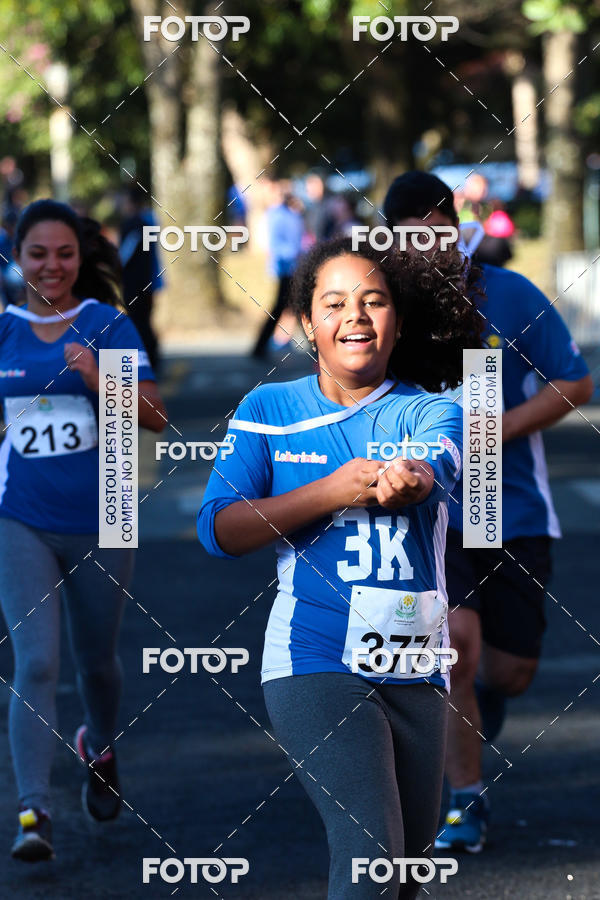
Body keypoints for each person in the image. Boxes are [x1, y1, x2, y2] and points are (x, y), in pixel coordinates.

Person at [199, 236, 484, 898]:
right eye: (334, 303)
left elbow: (430, 468)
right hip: (314, 659)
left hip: (416, 663)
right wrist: (331, 491)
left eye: (373, 301)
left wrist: (407, 480)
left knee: (404, 874)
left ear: (399, 320)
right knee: (369, 856)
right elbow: (219, 529)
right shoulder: (268, 410)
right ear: (307, 322)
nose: (354, 316)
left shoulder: (433, 409)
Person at [383, 171, 594, 853]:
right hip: (428, 511)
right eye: (409, 238)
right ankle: (463, 800)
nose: (425, 248)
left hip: (509, 508)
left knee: (508, 671)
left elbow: (574, 382)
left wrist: (490, 432)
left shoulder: (508, 293)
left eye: (436, 232)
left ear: (456, 226)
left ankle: (475, 711)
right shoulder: (383, 300)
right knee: (454, 647)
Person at [0, 199, 167, 862]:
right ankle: (33, 810)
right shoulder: (4, 330)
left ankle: (98, 745)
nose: (52, 266)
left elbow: (154, 415)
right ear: (17, 256)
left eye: (64, 253)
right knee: (37, 661)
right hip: (20, 518)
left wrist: (99, 377)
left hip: (107, 514)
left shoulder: (105, 324)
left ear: (80, 257)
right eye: (38, 253)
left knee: (97, 662)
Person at [251, 179, 304, 359]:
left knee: (294, 306)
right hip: (286, 268)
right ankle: (259, 347)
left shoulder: (291, 213)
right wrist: (294, 254)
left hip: (294, 267)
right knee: (284, 306)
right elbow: (275, 245)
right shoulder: (276, 215)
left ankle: (260, 347)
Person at [119, 186, 163, 372]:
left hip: (135, 284)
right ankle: (152, 356)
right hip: (147, 282)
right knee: (144, 321)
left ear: (131, 203)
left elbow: (124, 256)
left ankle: (148, 359)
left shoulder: (134, 225)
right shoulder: (148, 223)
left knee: (138, 322)